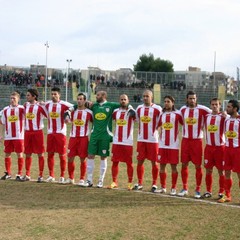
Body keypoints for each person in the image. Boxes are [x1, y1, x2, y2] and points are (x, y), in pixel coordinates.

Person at [178, 90, 211, 198]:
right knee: (184, 164)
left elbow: (215, 113)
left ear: (196, 99)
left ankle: (197, 189)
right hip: (186, 140)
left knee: (198, 166)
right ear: (186, 99)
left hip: (197, 141)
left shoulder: (203, 109)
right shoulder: (183, 109)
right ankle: (184, 188)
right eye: (190, 98)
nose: (192, 100)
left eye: (194, 98)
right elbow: (180, 120)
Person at [84, 90, 120, 188]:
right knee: (90, 155)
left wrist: (129, 108)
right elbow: (80, 104)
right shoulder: (94, 106)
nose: (96, 97)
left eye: (98, 95)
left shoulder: (111, 105)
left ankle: (101, 180)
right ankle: (89, 180)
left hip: (105, 136)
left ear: (104, 96)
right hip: (94, 135)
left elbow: (124, 104)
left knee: (103, 157)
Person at [133, 90, 162, 191]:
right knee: (140, 161)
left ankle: (154, 184)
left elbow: (161, 121)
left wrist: (157, 131)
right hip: (141, 139)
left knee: (154, 162)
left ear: (152, 97)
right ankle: (139, 183)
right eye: (144, 96)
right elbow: (136, 120)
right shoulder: (139, 108)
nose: (145, 98)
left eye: (147, 96)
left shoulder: (157, 108)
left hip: (153, 140)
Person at [44, 87, 73, 183]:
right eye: (52, 94)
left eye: (55, 94)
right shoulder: (47, 104)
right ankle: (51, 175)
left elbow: (75, 107)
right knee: (50, 154)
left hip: (61, 133)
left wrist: (68, 117)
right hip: (50, 133)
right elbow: (41, 106)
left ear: (59, 95)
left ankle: (62, 176)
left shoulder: (64, 104)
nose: (53, 96)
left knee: (62, 155)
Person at [108, 94, 135, 190]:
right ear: (119, 101)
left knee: (129, 163)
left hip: (128, 142)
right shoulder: (115, 112)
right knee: (115, 162)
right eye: (121, 99)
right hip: (117, 141)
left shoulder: (132, 112)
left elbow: (136, 118)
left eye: (125, 99)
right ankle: (114, 181)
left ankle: (130, 183)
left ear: (128, 101)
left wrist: (131, 108)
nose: (123, 101)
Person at [157, 96, 183, 195]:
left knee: (173, 167)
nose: (166, 103)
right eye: (165, 101)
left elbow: (184, 124)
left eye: (168, 101)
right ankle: (163, 187)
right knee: (162, 166)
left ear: (173, 103)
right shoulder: (162, 114)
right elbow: (158, 126)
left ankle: (173, 188)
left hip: (173, 145)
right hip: (162, 145)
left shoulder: (177, 114)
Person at [65, 93, 93, 185]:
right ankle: (70, 178)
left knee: (82, 159)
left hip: (83, 138)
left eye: (81, 99)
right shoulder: (72, 111)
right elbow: (67, 118)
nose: (79, 100)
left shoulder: (89, 112)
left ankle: (82, 179)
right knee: (70, 158)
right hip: (73, 137)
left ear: (85, 100)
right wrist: (67, 120)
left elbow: (94, 122)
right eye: (78, 99)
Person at [21, 89, 48, 182]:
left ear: (34, 96)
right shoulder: (25, 105)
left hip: (37, 132)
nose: (26, 96)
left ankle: (40, 175)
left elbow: (48, 116)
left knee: (40, 153)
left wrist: (44, 105)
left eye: (28, 95)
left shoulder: (40, 106)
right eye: (27, 95)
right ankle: (27, 174)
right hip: (27, 132)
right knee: (27, 153)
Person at [202, 98, 226, 199]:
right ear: (210, 106)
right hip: (209, 147)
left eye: (216, 104)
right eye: (213, 104)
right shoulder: (206, 117)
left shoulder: (224, 117)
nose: (215, 106)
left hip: (220, 148)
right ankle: (208, 191)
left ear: (220, 105)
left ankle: (221, 192)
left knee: (221, 171)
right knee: (208, 170)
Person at [218, 100, 240, 203]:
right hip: (227, 150)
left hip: (237, 150)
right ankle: (227, 195)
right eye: (227, 106)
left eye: (229, 107)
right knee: (227, 172)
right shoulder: (226, 120)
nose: (227, 108)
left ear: (235, 109)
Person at [0, 92, 25, 180]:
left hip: (19, 136)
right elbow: (2, 123)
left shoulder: (22, 109)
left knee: (19, 154)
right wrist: (1, 135)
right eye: (11, 98)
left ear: (18, 99)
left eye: (14, 98)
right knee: (7, 154)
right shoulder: (5, 110)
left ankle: (19, 174)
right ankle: (8, 173)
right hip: (8, 136)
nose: (12, 100)